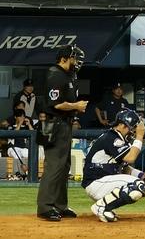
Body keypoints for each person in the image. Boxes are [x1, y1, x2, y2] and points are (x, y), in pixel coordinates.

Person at [38, 45, 86, 221]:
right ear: (64, 58)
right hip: (53, 124)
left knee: (64, 167)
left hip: (64, 124)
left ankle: (60, 205)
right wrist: (76, 106)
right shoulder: (55, 74)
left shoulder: (69, 75)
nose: (77, 62)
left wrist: (74, 111)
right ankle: (45, 207)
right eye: (74, 58)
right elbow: (56, 104)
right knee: (54, 166)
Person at [83, 108, 145, 223]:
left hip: (103, 181)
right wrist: (140, 136)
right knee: (137, 186)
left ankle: (106, 207)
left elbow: (124, 167)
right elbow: (130, 158)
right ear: (123, 125)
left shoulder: (116, 137)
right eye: (132, 128)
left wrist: (142, 175)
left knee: (140, 184)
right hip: (97, 183)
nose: (133, 131)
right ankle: (101, 207)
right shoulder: (112, 138)